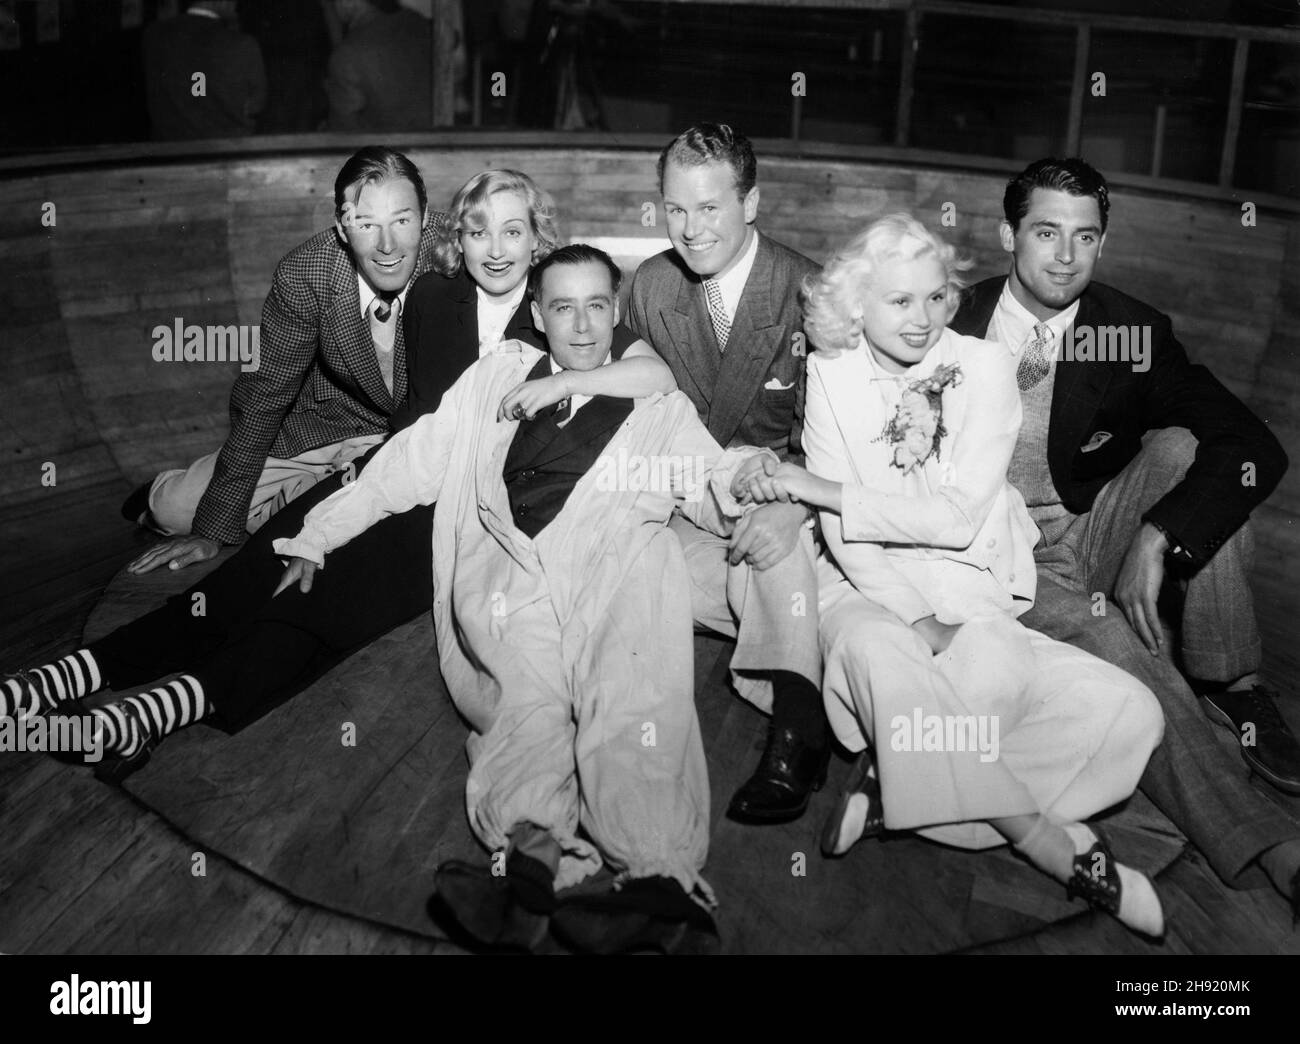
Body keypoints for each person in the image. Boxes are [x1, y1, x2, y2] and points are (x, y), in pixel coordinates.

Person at [2, 171, 674, 782]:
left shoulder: (562, 305)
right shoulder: (437, 299)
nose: (494, 248)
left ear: (538, 240)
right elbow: (409, 414)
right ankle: (70, 674)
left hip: (472, 515)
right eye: (477, 232)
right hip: (396, 471)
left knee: (319, 606)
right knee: (257, 570)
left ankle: (149, 715)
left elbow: (652, 373)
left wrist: (568, 384)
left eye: (513, 231)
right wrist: (358, 486)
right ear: (458, 240)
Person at [275, 245, 764, 954]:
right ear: (538, 315)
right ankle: (529, 864)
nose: (584, 325)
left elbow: (715, 474)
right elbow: (411, 461)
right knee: (524, 700)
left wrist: (759, 483)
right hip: (511, 570)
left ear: (616, 310)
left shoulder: (654, 404)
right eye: (563, 307)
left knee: (636, 693)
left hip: (613, 562)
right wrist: (316, 533)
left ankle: (661, 885)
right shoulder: (497, 378)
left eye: (598, 305)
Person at [737, 214, 1166, 936]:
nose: (924, 319)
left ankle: (892, 783)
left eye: (936, 298)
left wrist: (818, 489)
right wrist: (916, 619)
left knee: (1131, 711)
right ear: (855, 306)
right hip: (860, 578)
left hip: (968, 570)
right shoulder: (831, 370)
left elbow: (957, 520)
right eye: (899, 301)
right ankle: (1055, 846)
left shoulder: (988, 366)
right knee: (882, 652)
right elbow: (850, 541)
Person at [949, 157, 1300, 914]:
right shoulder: (948, 320)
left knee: (1186, 451)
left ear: (1102, 244)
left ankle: (1230, 683)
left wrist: (1158, 537)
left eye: (1086, 237)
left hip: (1095, 526)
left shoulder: (1131, 332)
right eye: (1046, 232)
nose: (1066, 258)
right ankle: (1272, 844)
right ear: (1008, 233)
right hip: (1001, 558)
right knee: (1121, 654)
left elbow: (1253, 447)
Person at [626, 123, 827, 825]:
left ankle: (797, 727)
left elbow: (842, 446)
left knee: (777, 550)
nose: (689, 229)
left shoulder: (810, 293)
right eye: (674, 209)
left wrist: (796, 507)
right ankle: (812, 671)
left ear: (751, 203)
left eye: (709, 207)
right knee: (620, 567)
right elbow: (634, 413)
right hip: (688, 506)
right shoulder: (651, 287)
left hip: (780, 505)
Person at [123, 146, 445, 572]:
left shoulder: (455, 254)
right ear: (343, 228)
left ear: (425, 218)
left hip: (396, 441)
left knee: (371, 533)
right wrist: (213, 532)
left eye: (402, 220)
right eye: (366, 224)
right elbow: (265, 395)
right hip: (316, 430)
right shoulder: (306, 272)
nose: (387, 245)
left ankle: (309, 500)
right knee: (180, 511)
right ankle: (161, 493)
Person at [142, 1, 266, 141]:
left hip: (168, 153)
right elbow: (256, 105)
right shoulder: (242, 44)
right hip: (227, 152)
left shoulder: (153, 35)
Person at [324, 0, 433, 132]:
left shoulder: (348, 55)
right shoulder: (416, 23)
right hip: (437, 141)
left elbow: (343, 131)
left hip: (387, 146)